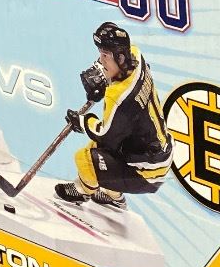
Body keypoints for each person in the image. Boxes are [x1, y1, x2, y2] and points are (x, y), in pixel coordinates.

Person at [55, 22, 172, 211]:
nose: (101, 61)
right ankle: (113, 196)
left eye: (105, 56)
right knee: (103, 149)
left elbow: (105, 135)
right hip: (156, 152)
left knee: (86, 156)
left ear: (120, 57)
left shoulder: (121, 97)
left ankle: (82, 191)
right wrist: (109, 81)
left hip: (148, 172)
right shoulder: (136, 55)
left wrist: (81, 121)